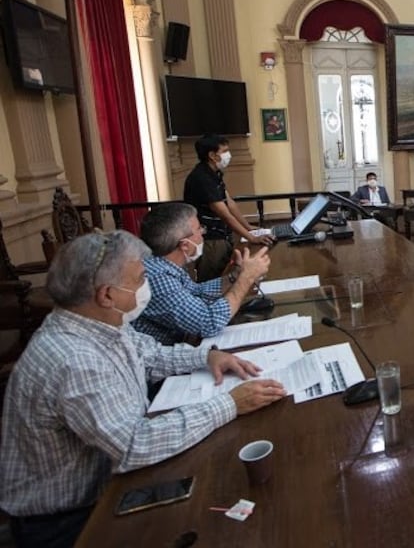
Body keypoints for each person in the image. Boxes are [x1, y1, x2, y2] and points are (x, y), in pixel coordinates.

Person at [0, 231, 286, 547]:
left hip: (106, 482)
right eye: (139, 279)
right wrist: (230, 404)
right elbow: (133, 446)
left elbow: (150, 355)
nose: (146, 286)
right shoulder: (72, 359)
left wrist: (206, 356)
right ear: (106, 294)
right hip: (67, 520)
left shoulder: (97, 321)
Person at [134, 203, 271, 345]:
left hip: (183, 342)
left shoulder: (165, 263)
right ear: (185, 245)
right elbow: (209, 323)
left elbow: (196, 292)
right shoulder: (157, 276)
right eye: (199, 229)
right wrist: (245, 278)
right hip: (165, 358)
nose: (203, 233)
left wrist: (235, 276)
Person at [184, 134, 273, 282]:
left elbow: (229, 202)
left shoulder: (214, 173)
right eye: (224, 151)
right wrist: (252, 237)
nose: (228, 155)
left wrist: (249, 227)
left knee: (225, 275)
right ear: (212, 155)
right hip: (211, 241)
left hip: (222, 236)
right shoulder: (201, 178)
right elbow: (225, 214)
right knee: (212, 281)